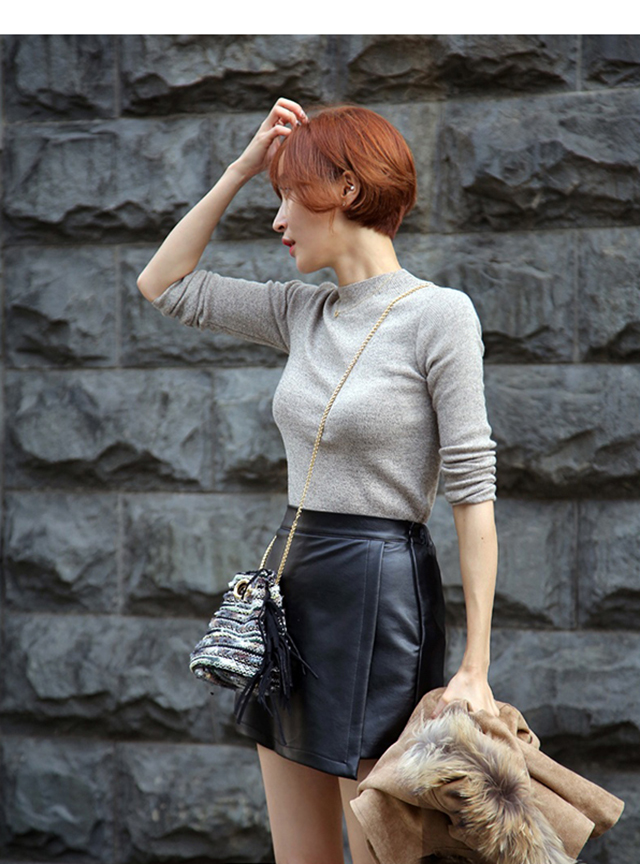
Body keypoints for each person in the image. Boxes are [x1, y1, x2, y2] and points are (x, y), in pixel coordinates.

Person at [137, 97, 500, 864]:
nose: (277, 220)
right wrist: (243, 167)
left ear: (346, 187)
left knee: (382, 852)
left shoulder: (440, 316)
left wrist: (476, 667)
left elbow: (473, 494)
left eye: (287, 195)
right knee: (300, 856)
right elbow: (163, 283)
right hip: (289, 596)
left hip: (379, 600)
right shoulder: (302, 313)